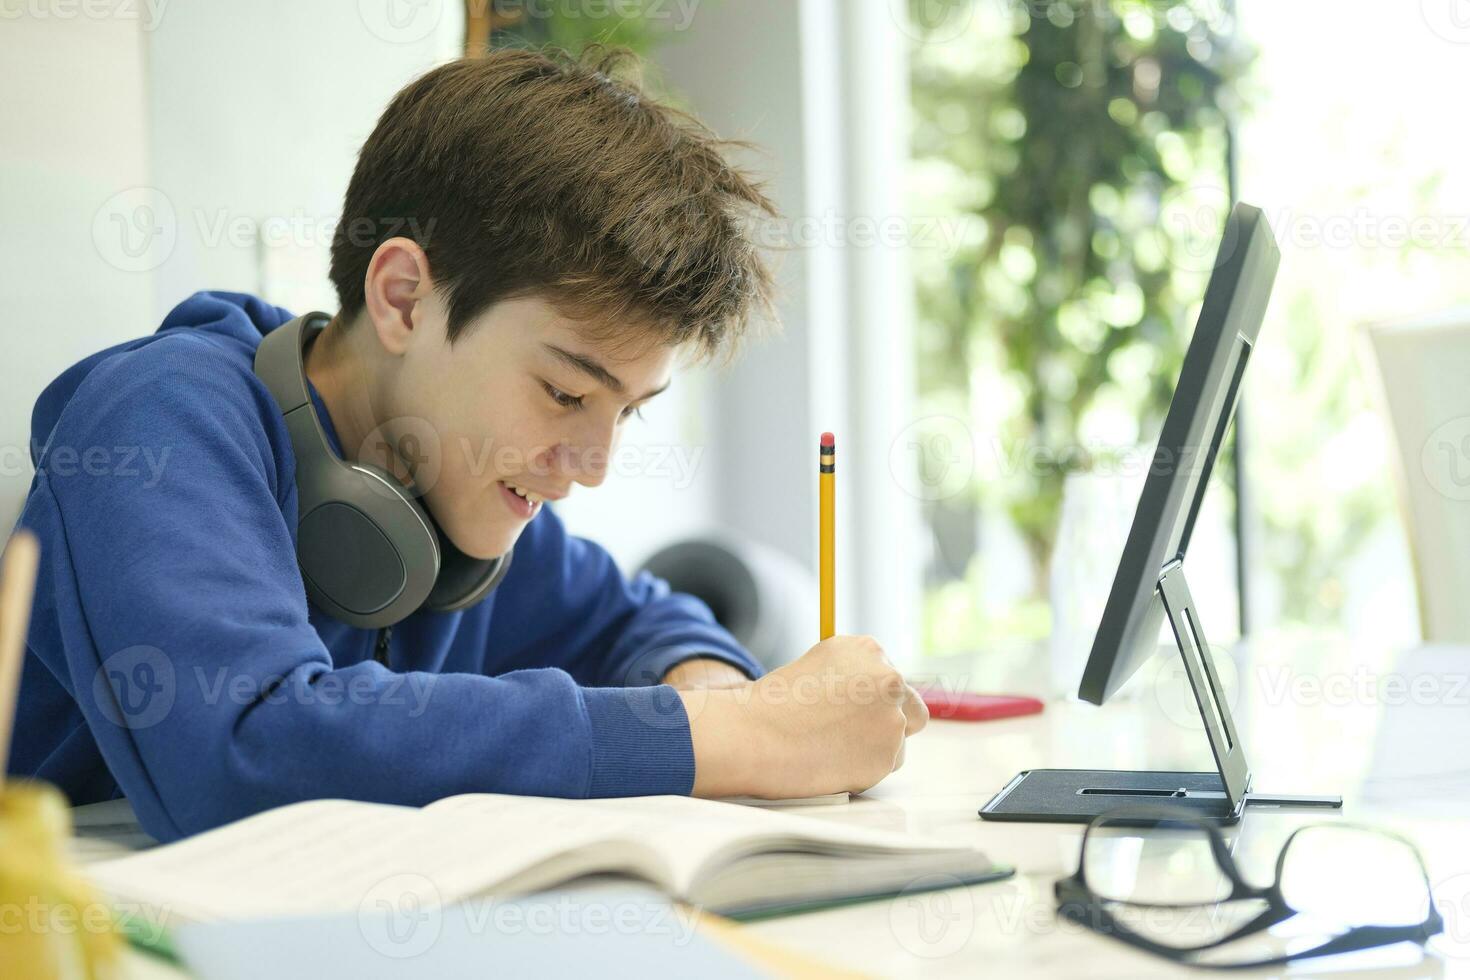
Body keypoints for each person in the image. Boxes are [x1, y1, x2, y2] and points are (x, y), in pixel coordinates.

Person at [10, 48, 927, 843]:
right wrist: (742, 738)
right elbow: (246, 747)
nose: (594, 465)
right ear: (404, 296)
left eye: (628, 410)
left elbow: (639, 621)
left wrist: (721, 687)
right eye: (566, 391)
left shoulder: (445, 491)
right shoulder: (159, 419)